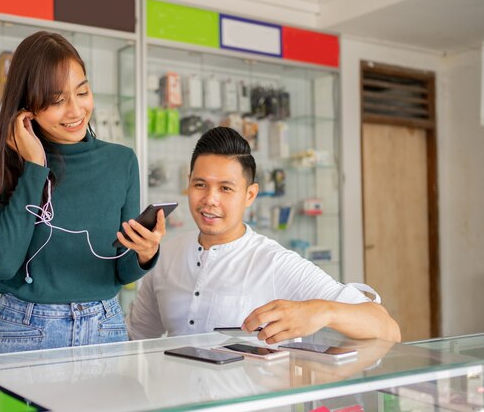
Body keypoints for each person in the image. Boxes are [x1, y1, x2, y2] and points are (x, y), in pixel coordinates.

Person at [0, 31, 165, 355]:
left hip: (104, 325)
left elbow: (121, 271)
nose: (76, 110)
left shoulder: (121, 161)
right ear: (27, 106)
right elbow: (2, 264)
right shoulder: (0, 161)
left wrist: (146, 254)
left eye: (83, 92)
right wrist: (35, 168)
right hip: (24, 329)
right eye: (56, 101)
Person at [127, 126, 401, 344]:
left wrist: (322, 310)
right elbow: (136, 339)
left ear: (250, 195)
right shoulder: (165, 256)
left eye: (225, 188)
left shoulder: (275, 263)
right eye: (200, 185)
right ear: (188, 184)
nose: (209, 199)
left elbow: (387, 329)